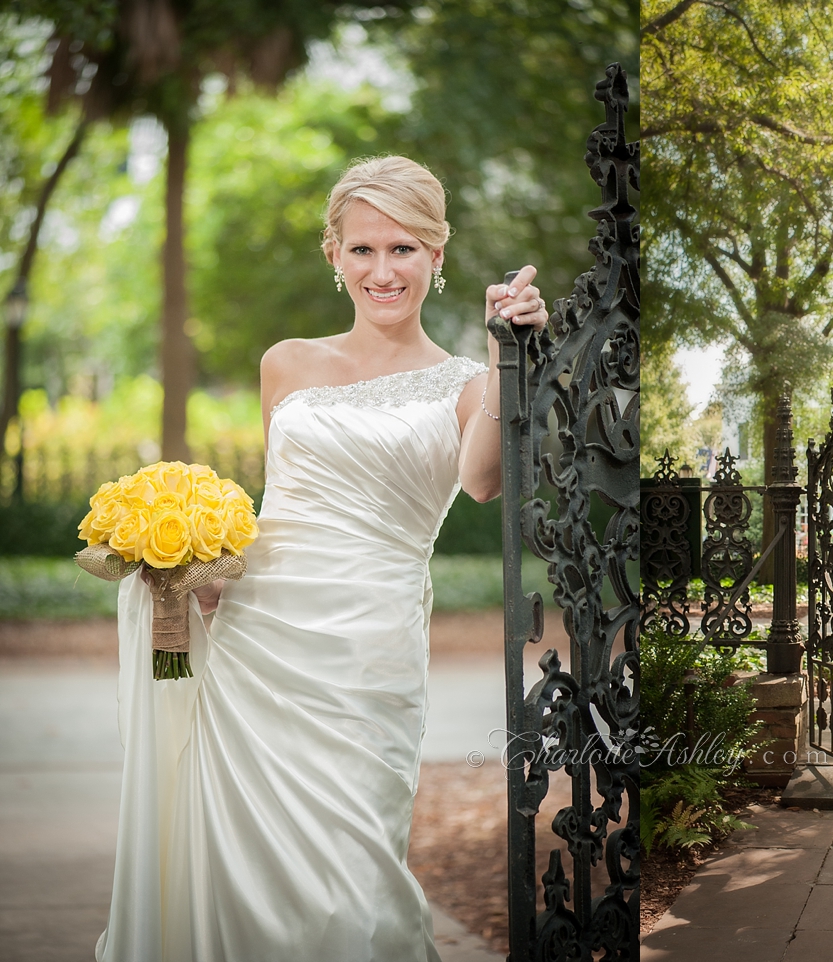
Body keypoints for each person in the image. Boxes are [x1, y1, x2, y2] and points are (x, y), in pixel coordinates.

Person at [96, 155, 549, 962]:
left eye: (404, 249)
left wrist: (504, 353)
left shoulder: (467, 383)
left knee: (352, 858)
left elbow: (481, 482)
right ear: (333, 255)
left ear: (437, 258)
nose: (383, 270)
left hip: (367, 645)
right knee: (229, 839)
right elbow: (276, 506)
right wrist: (191, 568)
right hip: (255, 635)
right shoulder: (286, 363)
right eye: (363, 249)